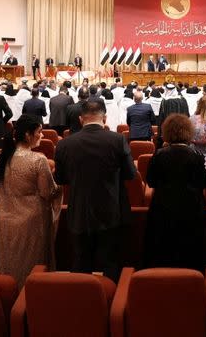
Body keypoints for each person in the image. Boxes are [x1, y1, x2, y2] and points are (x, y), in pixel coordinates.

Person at [54, 101, 136, 281]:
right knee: (110, 262)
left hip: (79, 210)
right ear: (104, 118)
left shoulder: (65, 144)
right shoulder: (117, 139)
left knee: (81, 262)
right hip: (110, 209)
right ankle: (111, 302)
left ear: (81, 120)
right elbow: (130, 174)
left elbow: (60, 179)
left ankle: (83, 304)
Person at [0, 115, 60, 285]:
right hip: (32, 219)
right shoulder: (38, 159)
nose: (42, 135)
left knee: (9, 261)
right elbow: (47, 192)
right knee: (33, 264)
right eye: (39, 132)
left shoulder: (1, 157)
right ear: (29, 135)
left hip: (5, 216)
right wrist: (59, 185)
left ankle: (9, 295)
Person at [143, 114, 206, 271]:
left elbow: (150, 181)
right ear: (188, 132)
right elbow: (203, 182)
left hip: (163, 206)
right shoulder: (197, 156)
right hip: (191, 207)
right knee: (189, 246)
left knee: (164, 245)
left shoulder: (159, 155)